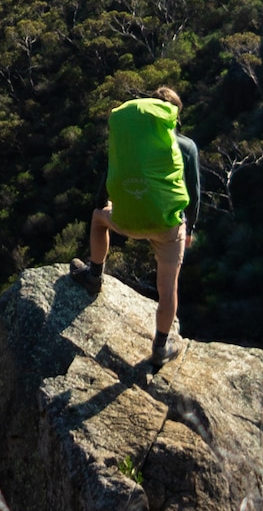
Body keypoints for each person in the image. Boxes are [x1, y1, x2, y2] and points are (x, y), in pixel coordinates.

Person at [70, 86, 201, 366]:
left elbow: (107, 180)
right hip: (167, 227)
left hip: (127, 220)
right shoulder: (187, 147)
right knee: (168, 290)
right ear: (173, 117)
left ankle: (94, 275)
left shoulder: (131, 143)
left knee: (98, 218)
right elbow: (194, 194)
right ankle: (160, 348)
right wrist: (188, 230)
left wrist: (102, 204)